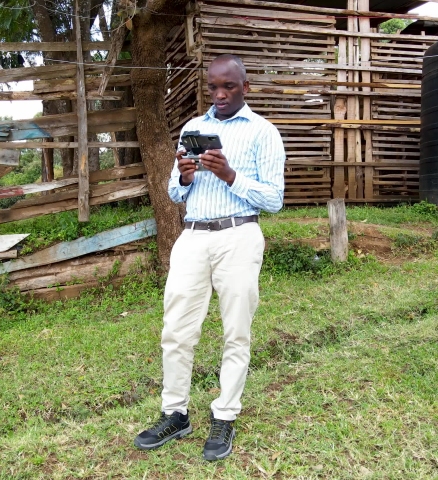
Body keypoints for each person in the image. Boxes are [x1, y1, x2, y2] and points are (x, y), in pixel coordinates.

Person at [133, 54, 286, 461]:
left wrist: (230, 175)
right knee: (177, 330)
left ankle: (225, 415)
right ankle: (175, 413)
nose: (219, 94)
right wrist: (184, 175)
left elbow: (274, 199)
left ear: (245, 87)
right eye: (213, 87)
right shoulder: (194, 128)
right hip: (193, 237)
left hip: (239, 234)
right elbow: (173, 192)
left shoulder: (263, 132)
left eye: (229, 87)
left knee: (235, 331)